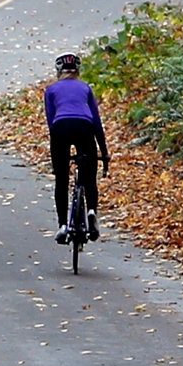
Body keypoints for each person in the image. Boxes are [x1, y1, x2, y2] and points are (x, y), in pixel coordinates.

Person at [42, 52, 109, 244]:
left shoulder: (51, 90)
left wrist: (57, 156)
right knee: (89, 177)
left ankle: (63, 225)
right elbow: (96, 121)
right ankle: (91, 212)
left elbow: (51, 121)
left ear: (58, 71)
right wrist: (103, 153)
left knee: (62, 179)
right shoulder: (85, 88)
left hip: (61, 127)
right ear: (78, 71)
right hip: (84, 127)